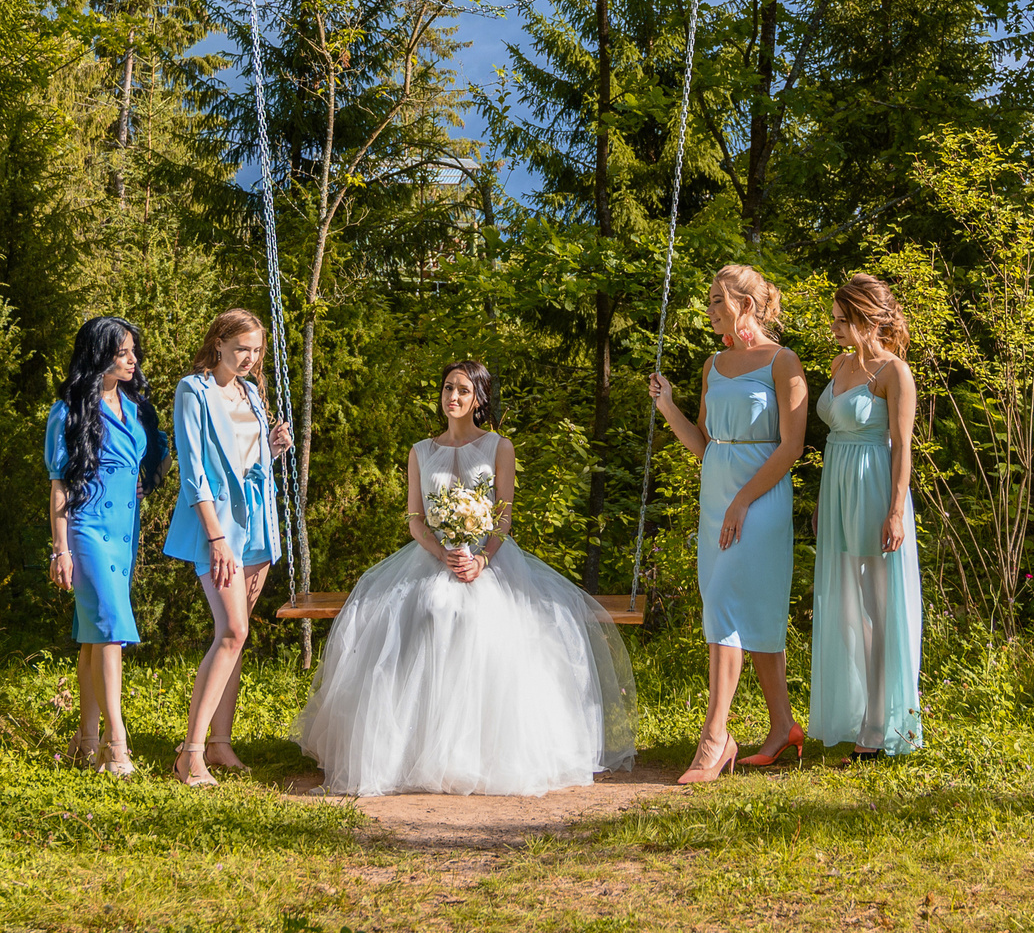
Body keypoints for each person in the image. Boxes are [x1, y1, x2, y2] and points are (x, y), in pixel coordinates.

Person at [297, 361, 637, 796]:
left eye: (461, 390)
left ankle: (477, 752)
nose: (451, 397)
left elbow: (503, 515)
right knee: (426, 608)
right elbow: (416, 519)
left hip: (489, 558)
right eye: (446, 389)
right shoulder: (421, 451)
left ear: (478, 398)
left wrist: (481, 560)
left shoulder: (499, 446)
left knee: (485, 618)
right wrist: (443, 554)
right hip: (434, 556)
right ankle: (413, 749)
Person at [649, 264, 809, 781]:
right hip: (716, 491)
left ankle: (716, 737)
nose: (712, 308)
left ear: (747, 303)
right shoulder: (713, 364)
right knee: (745, 610)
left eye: (720, 299)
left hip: (759, 494)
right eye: (711, 299)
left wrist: (743, 500)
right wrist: (667, 405)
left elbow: (792, 446)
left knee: (723, 603)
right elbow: (702, 443)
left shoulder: (784, 363)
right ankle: (783, 724)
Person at [164, 308, 292, 786]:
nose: (249, 358)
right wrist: (216, 538)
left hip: (256, 523)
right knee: (232, 632)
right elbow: (194, 472)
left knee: (236, 637)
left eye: (256, 350)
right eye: (241, 348)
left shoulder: (252, 392)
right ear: (218, 343)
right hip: (217, 527)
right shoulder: (193, 391)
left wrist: (272, 448)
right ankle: (190, 753)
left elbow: (247, 461)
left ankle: (219, 743)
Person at [45, 315, 168, 775]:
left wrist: (140, 483)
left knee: (93, 634)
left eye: (134, 351)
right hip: (86, 529)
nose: (133, 360)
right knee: (112, 627)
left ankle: (85, 740)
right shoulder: (70, 410)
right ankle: (117, 745)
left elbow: (153, 455)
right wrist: (61, 550)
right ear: (99, 356)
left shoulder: (136, 407)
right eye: (122, 353)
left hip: (124, 531)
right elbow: (59, 485)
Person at [809, 274, 923, 760]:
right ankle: (860, 710)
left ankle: (880, 725)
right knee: (849, 613)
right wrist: (821, 501)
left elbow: (902, 448)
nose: (834, 328)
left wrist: (896, 511)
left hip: (875, 488)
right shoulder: (839, 364)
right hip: (837, 486)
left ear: (867, 319)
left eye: (842, 320)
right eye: (833, 319)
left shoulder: (894, 372)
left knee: (879, 610)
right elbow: (832, 434)